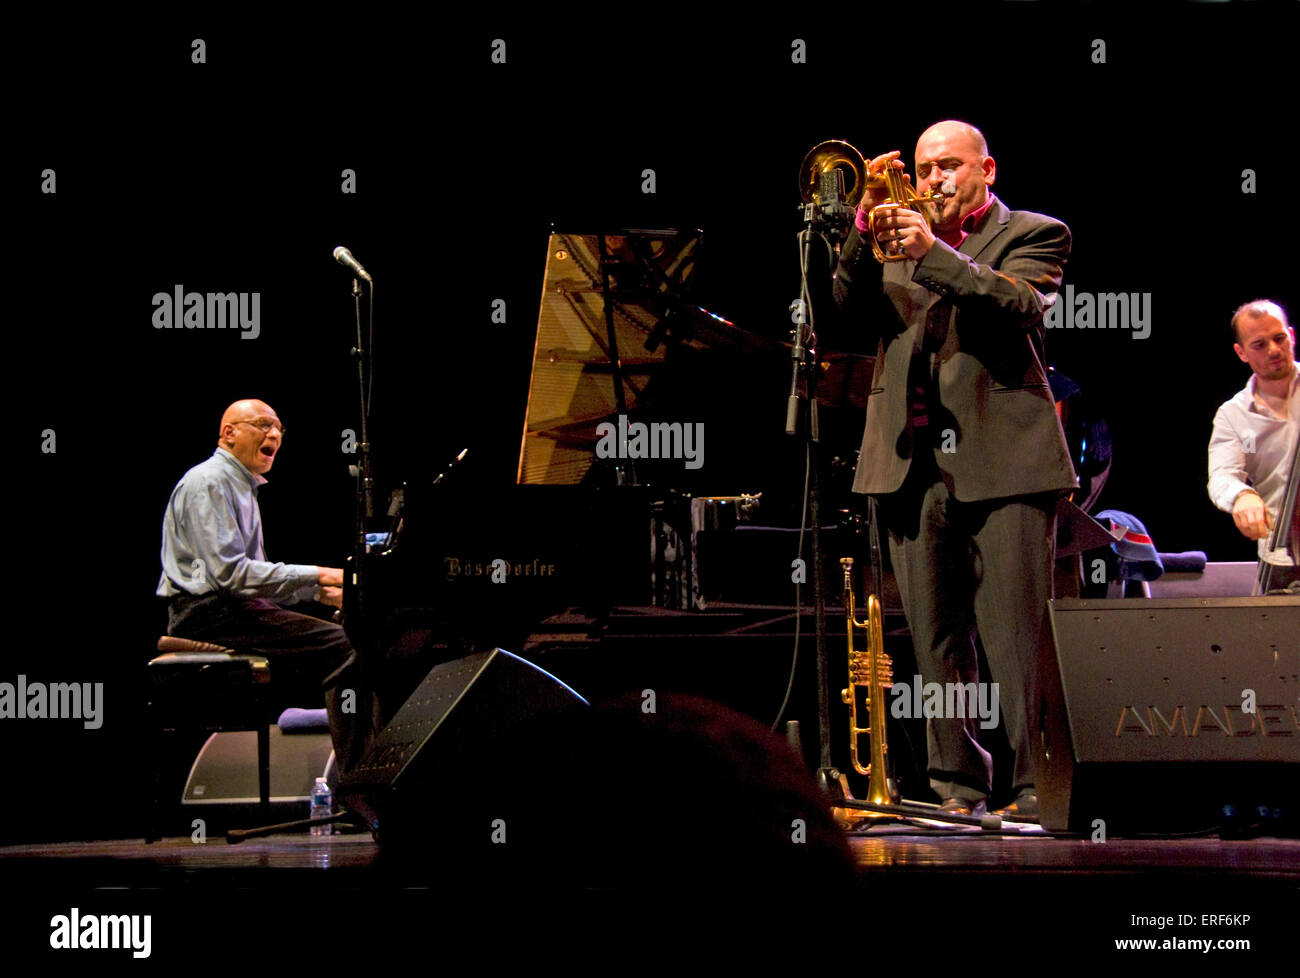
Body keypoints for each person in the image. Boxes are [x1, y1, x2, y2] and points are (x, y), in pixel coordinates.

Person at [831, 121, 1077, 820]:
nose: (933, 179)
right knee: (936, 643)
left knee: (1016, 637)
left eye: (948, 167)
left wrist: (931, 251)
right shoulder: (891, 238)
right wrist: (860, 223)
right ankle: (956, 787)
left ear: (986, 170)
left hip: (1006, 463)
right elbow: (843, 310)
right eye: (922, 167)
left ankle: (1037, 790)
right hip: (911, 466)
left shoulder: (1035, 232)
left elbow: (1021, 306)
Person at [157, 398, 376, 775]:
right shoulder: (210, 481)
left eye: (278, 429)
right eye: (261, 425)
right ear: (229, 433)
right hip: (207, 614)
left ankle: (370, 771)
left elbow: (257, 582)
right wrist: (323, 575)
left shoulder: (240, 486)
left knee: (355, 635)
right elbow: (233, 576)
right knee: (344, 646)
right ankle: (361, 783)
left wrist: (326, 594)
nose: (274, 434)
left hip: (231, 609)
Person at [1207, 300, 1299, 573]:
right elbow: (1223, 475)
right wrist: (1241, 496)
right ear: (1242, 352)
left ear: (1291, 336)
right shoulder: (1233, 416)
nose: (1274, 350)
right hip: (1282, 563)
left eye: (1279, 338)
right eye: (1259, 345)